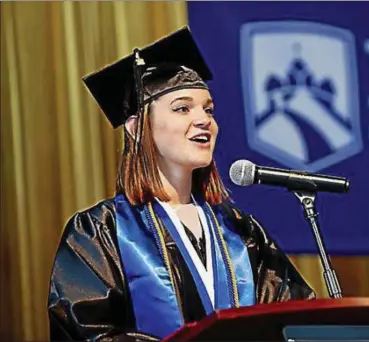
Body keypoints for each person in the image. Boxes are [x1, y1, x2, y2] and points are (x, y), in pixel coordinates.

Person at [47, 26, 315, 342]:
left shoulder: (241, 230)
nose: (204, 120)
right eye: (183, 108)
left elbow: (291, 319)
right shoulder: (99, 232)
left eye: (208, 110)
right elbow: (88, 332)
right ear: (136, 127)